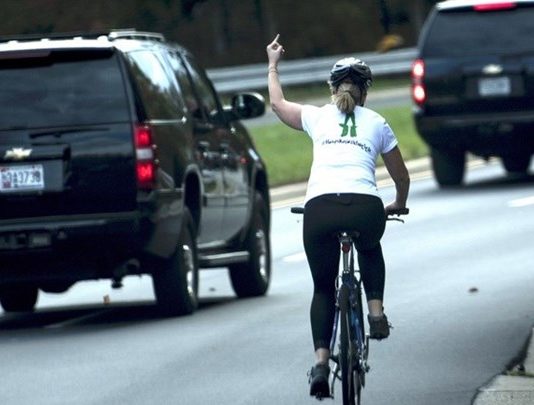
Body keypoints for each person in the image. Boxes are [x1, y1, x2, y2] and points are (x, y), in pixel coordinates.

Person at [266, 34, 410, 398]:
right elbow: (401, 176)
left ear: (333, 89)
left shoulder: (316, 116)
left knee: (322, 287)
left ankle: (320, 363)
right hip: (365, 207)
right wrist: (397, 203)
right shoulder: (377, 122)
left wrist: (273, 65)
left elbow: (277, 104)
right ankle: (375, 312)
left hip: (320, 209)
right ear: (365, 92)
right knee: (370, 246)